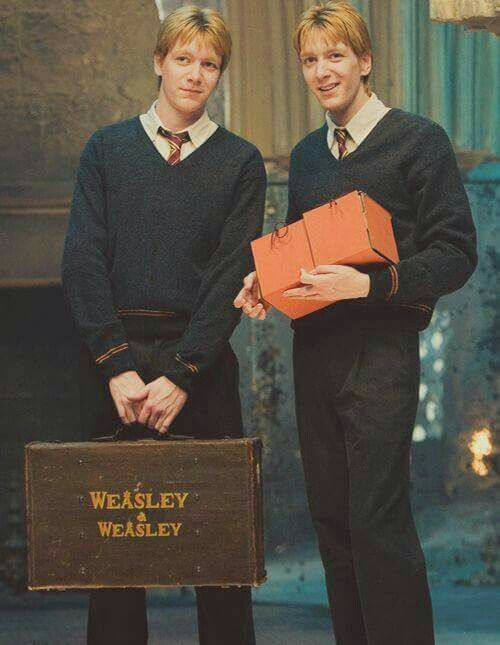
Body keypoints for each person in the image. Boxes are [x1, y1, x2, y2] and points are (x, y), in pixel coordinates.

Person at [234, 2, 477, 644]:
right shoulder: (309, 155)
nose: (322, 72)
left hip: (381, 358)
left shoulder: (418, 140)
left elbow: (455, 253)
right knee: (333, 524)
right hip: (314, 354)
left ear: (365, 62)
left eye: (335, 56)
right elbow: (306, 249)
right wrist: (269, 281)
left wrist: (368, 285)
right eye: (310, 60)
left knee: (377, 524)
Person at [62, 5, 266, 644]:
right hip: (115, 366)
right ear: (158, 62)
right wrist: (116, 365)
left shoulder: (241, 162)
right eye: (184, 59)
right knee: (113, 557)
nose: (195, 74)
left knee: (221, 547)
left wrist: (183, 373)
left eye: (209, 65)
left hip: (199, 366)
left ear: (219, 76)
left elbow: (232, 274)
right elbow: (82, 261)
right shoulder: (107, 149)